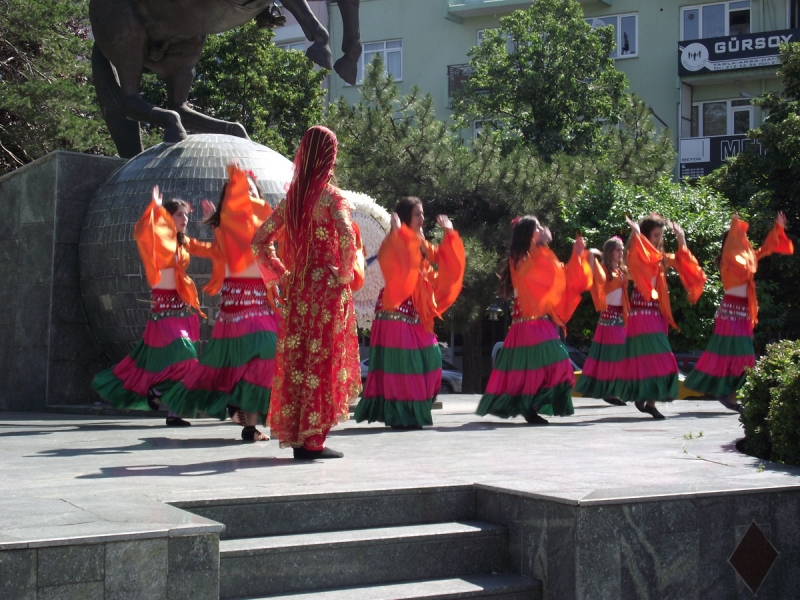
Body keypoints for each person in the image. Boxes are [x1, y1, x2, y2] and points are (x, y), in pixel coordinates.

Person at [252, 125, 361, 459]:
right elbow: (347, 237)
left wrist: (281, 276)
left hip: (298, 289)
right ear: (328, 156)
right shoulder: (332, 197)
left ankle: (299, 438)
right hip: (326, 290)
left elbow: (259, 241)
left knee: (298, 362)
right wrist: (343, 274)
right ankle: (314, 441)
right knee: (324, 360)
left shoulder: (293, 199)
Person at [162, 165, 278, 441]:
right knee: (255, 354)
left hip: (262, 301)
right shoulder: (230, 222)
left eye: (251, 191)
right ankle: (199, 404)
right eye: (241, 192)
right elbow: (221, 249)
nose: (247, 196)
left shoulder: (263, 223)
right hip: (238, 307)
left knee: (263, 359)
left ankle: (249, 425)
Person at [92, 187, 217, 426]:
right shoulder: (156, 239)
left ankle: (173, 412)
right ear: (167, 217)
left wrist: (215, 222)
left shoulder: (183, 242)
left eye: (185, 215)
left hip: (183, 310)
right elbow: (140, 231)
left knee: (186, 364)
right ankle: (157, 391)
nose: (185, 219)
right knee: (184, 354)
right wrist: (154, 208)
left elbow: (211, 250)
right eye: (179, 214)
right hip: (164, 313)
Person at [354, 196, 466, 429]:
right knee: (403, 366)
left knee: (432, 358)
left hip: (415, 313)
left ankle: (411, 411)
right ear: (406, 217)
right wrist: (398, 235)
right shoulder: (393, 240)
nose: (423, 218)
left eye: (423, 214)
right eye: (418, 214)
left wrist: (450, 234)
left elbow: (442, 258)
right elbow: (398, 265)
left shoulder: (418, 240)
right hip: (394, 313)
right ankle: (401, 415)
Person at [477, 216, 591, 424]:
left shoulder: (537, 254)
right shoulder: (519, 257)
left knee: (555, 367)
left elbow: (558, 276)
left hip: (538, 323)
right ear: (528, 233)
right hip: (527, 324)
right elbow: (535, 271)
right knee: (541, 369)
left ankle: (531, 407)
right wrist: (542, 244)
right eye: (537, 227)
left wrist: (576, 256)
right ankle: (530, 407)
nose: (541, 229)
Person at [685, 213, 793, 412]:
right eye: (742, 238)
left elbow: (766, 249)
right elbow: (736, 248)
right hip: (730, 313)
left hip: (742, 313)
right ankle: (728, 396)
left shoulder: (747, 259)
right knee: (736, 357)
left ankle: (730, 397)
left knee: (742, 358)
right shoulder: (728, 260)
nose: (746, 242)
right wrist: (735, 224)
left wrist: (778, 228)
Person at [620, 214, 706, 419]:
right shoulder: (640, 255)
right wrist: (636, 234)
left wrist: (681, 238)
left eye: (660, 235)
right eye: (656, 235)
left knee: (658, 362)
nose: (659, 239)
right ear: (648, 236)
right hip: (641, 314)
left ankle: (649, 402)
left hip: (656, 315)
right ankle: (645, 397)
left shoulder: (660, 258)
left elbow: (684, 262)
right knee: (658, 361)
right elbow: (634, 256)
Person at [575, 236, 630, 405]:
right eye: (617, 250)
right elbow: (592, 272)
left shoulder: (621, 270)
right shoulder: (604, 271)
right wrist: (591, 254)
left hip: (621, 317)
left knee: (617, 355)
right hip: (609, 317)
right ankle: (609, 391)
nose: (621, 253)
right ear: (609, 252)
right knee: (613, 354)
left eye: (622, 249)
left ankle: (612, 391)